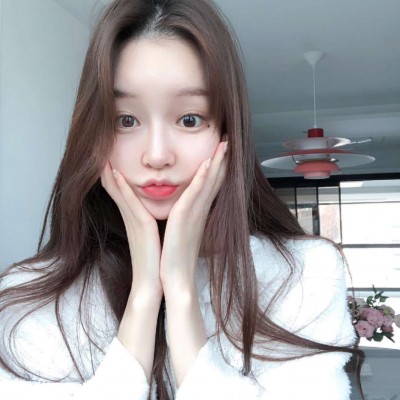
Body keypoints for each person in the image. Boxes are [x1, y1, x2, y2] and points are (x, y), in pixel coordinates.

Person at [0, 0, 359, 399]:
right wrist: (144, 294)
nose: (156, 155)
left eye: (189, 119)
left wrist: (182, 292)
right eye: (125, 120)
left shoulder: (301, 274)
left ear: (228, 133)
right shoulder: (30, 295)